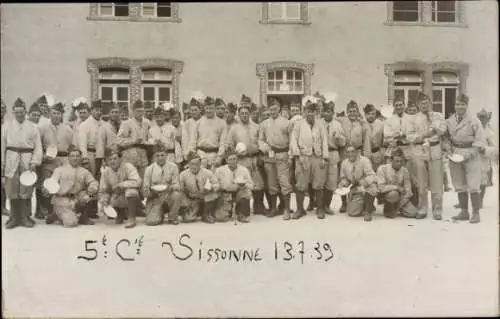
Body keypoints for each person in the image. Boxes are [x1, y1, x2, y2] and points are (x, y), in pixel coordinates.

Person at [2, 98, 43, 229]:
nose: (19, 114)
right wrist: (2, 162)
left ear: (26, 112)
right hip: (11, 158)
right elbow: (2, 145)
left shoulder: (32, 127)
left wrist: (35, 161)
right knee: (12, 188)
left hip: (27, 159)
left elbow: (38, 147)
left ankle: (25, 217)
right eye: (17, 112)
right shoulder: (6, 126)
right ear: (13, 112)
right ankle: (13, 217)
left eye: (22, 112)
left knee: (26, 188)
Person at [220, 100, 266, 216]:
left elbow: (261, 141)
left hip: (254, 158)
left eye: (246, 113)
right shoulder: (234, 129)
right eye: (242, 113)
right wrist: (235, 152)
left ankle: (258, 206)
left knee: (258, 184)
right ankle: (241, 208)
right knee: (242, 183)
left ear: (249, 114)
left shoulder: (256, 127)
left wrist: (259, 151)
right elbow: (229, 144)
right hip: (241, 160)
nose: (244, 115)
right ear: (239, 115)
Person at [444, 94, 485, 224]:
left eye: (462, 104)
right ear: (454, 106)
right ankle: (464, 211)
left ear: (466, 106)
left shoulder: (474, 120)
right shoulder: (449, 121)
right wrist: (448, 148)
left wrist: (471, 153)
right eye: (457, 104)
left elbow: (479, 140)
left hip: (470, 153)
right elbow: (445, 138)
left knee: (473, 185)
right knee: (459, 184)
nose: (460, 107)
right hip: (455, 153)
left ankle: (476, 213)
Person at [406, 93, 446, 220]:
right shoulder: (412, 118)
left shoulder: (438, 115)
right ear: (418, 105)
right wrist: (422, 136)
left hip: (435, 150)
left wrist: (429, 133)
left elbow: (441, 130)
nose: (424, 105)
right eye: (421, 103)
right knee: (421, 183)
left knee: (437, 182)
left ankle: (437, 209)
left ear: (430, 102)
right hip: (419, 150)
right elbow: (409, 135)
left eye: (426, 102)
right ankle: (422, 208)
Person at [290, 101, 329, 219]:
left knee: (318, 183)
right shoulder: (298, 124)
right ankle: (300, 209)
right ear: (304, 112)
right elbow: (293, 141)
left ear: (315, 112)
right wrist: (298, 156)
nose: (310, 114)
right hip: (303, 157)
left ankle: (320, 209)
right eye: (307, 111)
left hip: (317, 157)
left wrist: (325, 158)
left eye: (312, 111)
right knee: (301, 184)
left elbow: (324, 141)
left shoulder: (320, 124)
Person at [36, 102, 74, 222]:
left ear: (62, 115)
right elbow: (38, 145)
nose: (55, 116)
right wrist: (42, 157)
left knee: (61, 186)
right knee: (46, 185)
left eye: (58, 113)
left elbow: (72, 146)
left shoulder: (68, 129)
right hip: (48, 161)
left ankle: (58, 211)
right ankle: (44, 210)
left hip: (63, 160)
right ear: (50, 114)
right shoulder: (43, 127)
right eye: (53, 113)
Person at [258, 99, 292, 219]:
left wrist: (290, 155)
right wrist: (264, 147)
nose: (272, 111)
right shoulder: (264, 124)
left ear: (279, 109)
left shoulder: (287, 123)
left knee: (284, 182)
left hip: (283, 155)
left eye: (275, 109)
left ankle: (286, 209)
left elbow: (292, 140)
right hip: (269, 156)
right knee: (271, 183)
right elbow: (260, 139)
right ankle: (273, 208)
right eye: (270, 109)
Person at [47, 146, 99, 227]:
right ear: (68, 157)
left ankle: (82, 216)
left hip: (76, 199)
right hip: (62, 200)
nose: (75, 158)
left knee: (86, 195)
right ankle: (56, 215)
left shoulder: (84, 171)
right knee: (71, 223)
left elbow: (93, 181)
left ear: (80, 157)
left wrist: (93, 187)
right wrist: (48, 187)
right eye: (72, 156)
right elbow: (52, 182)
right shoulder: (59, 170)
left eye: (77, 156)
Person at [383, 98, 418, 206]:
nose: (399, 107)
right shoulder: (389, 120)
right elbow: (387, 135)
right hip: (393, 149)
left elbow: (414, 134)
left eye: (401, 104)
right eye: (396, 105)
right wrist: (395, 137)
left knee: (408, 176)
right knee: (391, 177)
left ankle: (409, 202)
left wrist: (405, 136)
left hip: (407, 149)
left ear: (404, 105)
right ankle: (391, 203)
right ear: (394, 106)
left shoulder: (411, 119)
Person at [338, 100, 371, 212]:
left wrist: (367, 156)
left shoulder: (362, 124)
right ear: (347, 112)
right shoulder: (342, 121)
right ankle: (344, 203)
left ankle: (364, 201)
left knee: (359, 178)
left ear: (358, 112)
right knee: (343, 178)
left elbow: (366, 141)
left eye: (354, 111)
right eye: (350, 111)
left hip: (358, 153)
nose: (352, 113)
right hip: (345, 152)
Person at [98, 146, 142, 228]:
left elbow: (138, 182)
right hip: (116, 195)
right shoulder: (106, 172)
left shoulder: (128, 166)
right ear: (107, 161)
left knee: (131, 191)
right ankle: (120, 213)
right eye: (109, 159)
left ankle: (131, 218)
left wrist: (121, 185)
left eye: (115, 158)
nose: (112, 161)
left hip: (132, 196)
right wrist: (104, 199)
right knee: (109, 199)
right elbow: (102, 190)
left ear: (120, 159)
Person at [142, 144, 184, 226]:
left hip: (168, 195)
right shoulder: (149, 169)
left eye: (162, 155)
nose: (160, 158)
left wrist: (171, 187)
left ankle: (172, 217)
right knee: (151, 222)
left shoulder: (173, 167)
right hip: (155, 198)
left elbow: (178, 186)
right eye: (157, 156)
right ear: (154, 156)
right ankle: (159, 213)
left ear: (166, 155)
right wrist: (151, 192)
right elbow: (145, 191)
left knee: (177, 195)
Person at [338, 145, 378, 221]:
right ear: (346, 153)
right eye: (348, 152)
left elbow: (372, 175)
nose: (350, 154)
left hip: (364, 186)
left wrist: (361, 182)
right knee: (353, 213)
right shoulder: (344, 163)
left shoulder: (364, 160)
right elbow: (343, 178)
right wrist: (343, 183)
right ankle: (360, 203)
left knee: (373, 187)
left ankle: (368, 211)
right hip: (354, 188)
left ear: (357, 152)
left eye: (352, 152)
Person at [376, 148, 418, 219]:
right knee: (393, 194)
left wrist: (400, 204)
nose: (399, 163)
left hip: (400, 198)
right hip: (385, 195)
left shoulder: (405, 171)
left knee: (413, 213)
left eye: (401, 161)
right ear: (391, 160)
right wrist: (397, 187)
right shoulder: (382, 169)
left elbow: (408, 191)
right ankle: (388, 207)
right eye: (397, 161)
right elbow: (381, 188)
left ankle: (396, 208)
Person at [179, 153, 220, 223]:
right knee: (188, 219)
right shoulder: (183, 174)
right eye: (192, 164)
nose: (194, 166)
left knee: (212, 195)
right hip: (192, 198)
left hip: (205, 196)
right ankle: (197, 211)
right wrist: (185, 200)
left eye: (197, 164)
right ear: (188, 164)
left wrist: (211, 187)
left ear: (200, 164)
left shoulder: (208, 173)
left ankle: (207, 214)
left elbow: (217, 184)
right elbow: (181, 190)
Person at [215, 151, 254, 223]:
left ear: (237, 160)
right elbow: (215, 183)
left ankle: (241, 213)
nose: (233, 161)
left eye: (234, 159)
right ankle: (228, 210)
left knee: (247, 192)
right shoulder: (219, 170)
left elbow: (251, 185)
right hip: (225, 194)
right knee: (221, 218)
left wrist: (244, 184)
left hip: (239, 193)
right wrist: (219, 187)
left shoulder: (244, 170)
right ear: (226, 160)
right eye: (230, 159)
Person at [322, 100, 346, 215]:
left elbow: (343, 143)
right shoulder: (319, 123)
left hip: (333, 152)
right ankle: (319, 206)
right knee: (320, 179)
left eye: (329, 111)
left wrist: (338, 138)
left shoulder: (337, 125)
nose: (327, 114)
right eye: (325, 111)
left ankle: (327, 205)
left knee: (331, 181)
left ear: (333, 112)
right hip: (321, 154)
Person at [117, 100, 151, 179]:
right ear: (133, 111)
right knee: (131, 179)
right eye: (138, 111)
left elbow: (150, 138)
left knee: (144, 178)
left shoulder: (147, 123)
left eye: (142, 111)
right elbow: (119, 140)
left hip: (143, 153)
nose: (140, 113)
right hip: (130, 153)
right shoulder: (126, 123)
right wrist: (133, 141)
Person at [190, 96, 226, 170]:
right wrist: (194, 155)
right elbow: (193, 141)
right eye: (207, 108)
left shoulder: (221, 123)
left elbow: (223, 142)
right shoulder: (198, 122)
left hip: (214, 155)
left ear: (215, 108)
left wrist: (219, 158)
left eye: (211, 108)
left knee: (213, 179)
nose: (209, 111)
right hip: (200, 154)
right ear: (204, 109)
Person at [476, 109, 497, 209]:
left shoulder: (490, 133)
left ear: (487, 119)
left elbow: (493, 147)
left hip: (484, 159)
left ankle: (480, 200)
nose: (482, 119)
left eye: (484, 117)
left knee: (482, 181)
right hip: (473, 157)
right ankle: (465, 201)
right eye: (480, 117)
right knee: (470, 180)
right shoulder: (475, 128)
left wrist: (485, 150)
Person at [78, 99, 103, 178]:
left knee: (100, 180)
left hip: (101, 157)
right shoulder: (85, 125)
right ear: (91, 111)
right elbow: (82, 144)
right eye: (96, 110)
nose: (99, 112)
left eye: (100, 110)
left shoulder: (102, 124)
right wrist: (85, 159)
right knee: (90, 179)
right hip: (90, 156)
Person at [364, 104, 385, 172]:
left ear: (375, 114)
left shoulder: (381, 124)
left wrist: (381, 153)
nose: (371, 116)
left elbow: (383, 140)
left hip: (378, 154)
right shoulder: (362, 124)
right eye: (368, 114)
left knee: (379, 173)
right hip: (366, 155)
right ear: (365, 115)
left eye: (373, 114)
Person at [1, 100, 8, 216]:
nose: (0, 110)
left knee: (3, 184)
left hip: (4, 157)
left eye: (2, 108)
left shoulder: (7, 126)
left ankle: (2, 207)